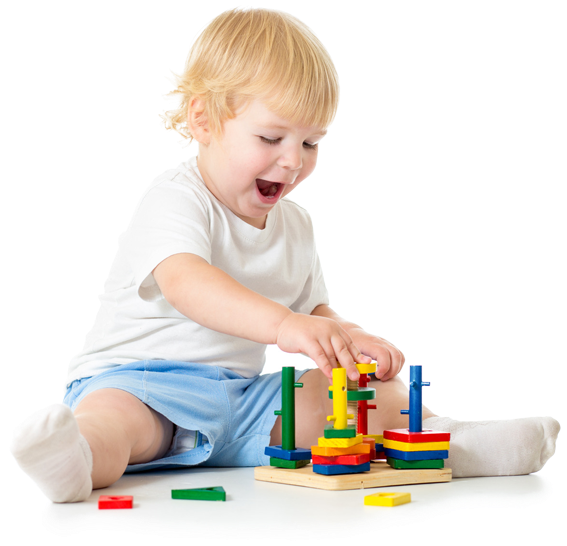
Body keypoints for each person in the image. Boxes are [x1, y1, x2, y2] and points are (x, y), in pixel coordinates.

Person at [7, 5, 561, 504]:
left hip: (243, 402)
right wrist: (283, 326)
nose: (294, 162)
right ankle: (72, 458)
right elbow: (185, 282)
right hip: (141, 384)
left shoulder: (297, 221)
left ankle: (450, 442)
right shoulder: (174, 194)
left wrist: (350, 342)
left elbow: (314, 309)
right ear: (203, 120)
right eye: (271, 139)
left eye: (311, 142)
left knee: (364, 397)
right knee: (118, 427)